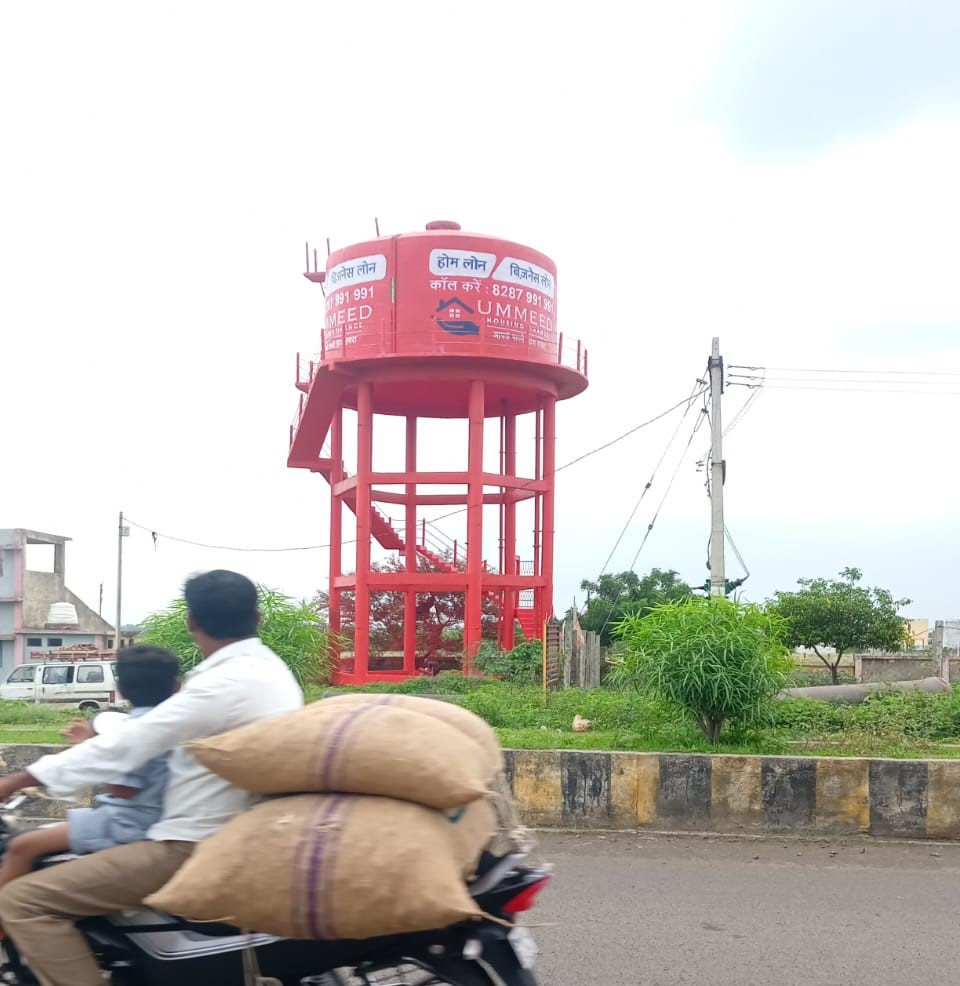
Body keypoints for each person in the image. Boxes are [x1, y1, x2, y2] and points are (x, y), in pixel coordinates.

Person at [0, 570, 304, 986]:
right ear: (257, 617)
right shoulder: (270, 672)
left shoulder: (224, 683)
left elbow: (130, 744)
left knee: (23, 902)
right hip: (234, 834)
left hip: (191, 844)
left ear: (191, 621)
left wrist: (15, 781)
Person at [0, 646, 180, 898]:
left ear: (121, 688)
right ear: (176, 686)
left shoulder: (135, 731)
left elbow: (124, 789)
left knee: (22, 846)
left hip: (126, 823)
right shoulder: (176, 723)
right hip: (150, 820)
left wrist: (88, 750)